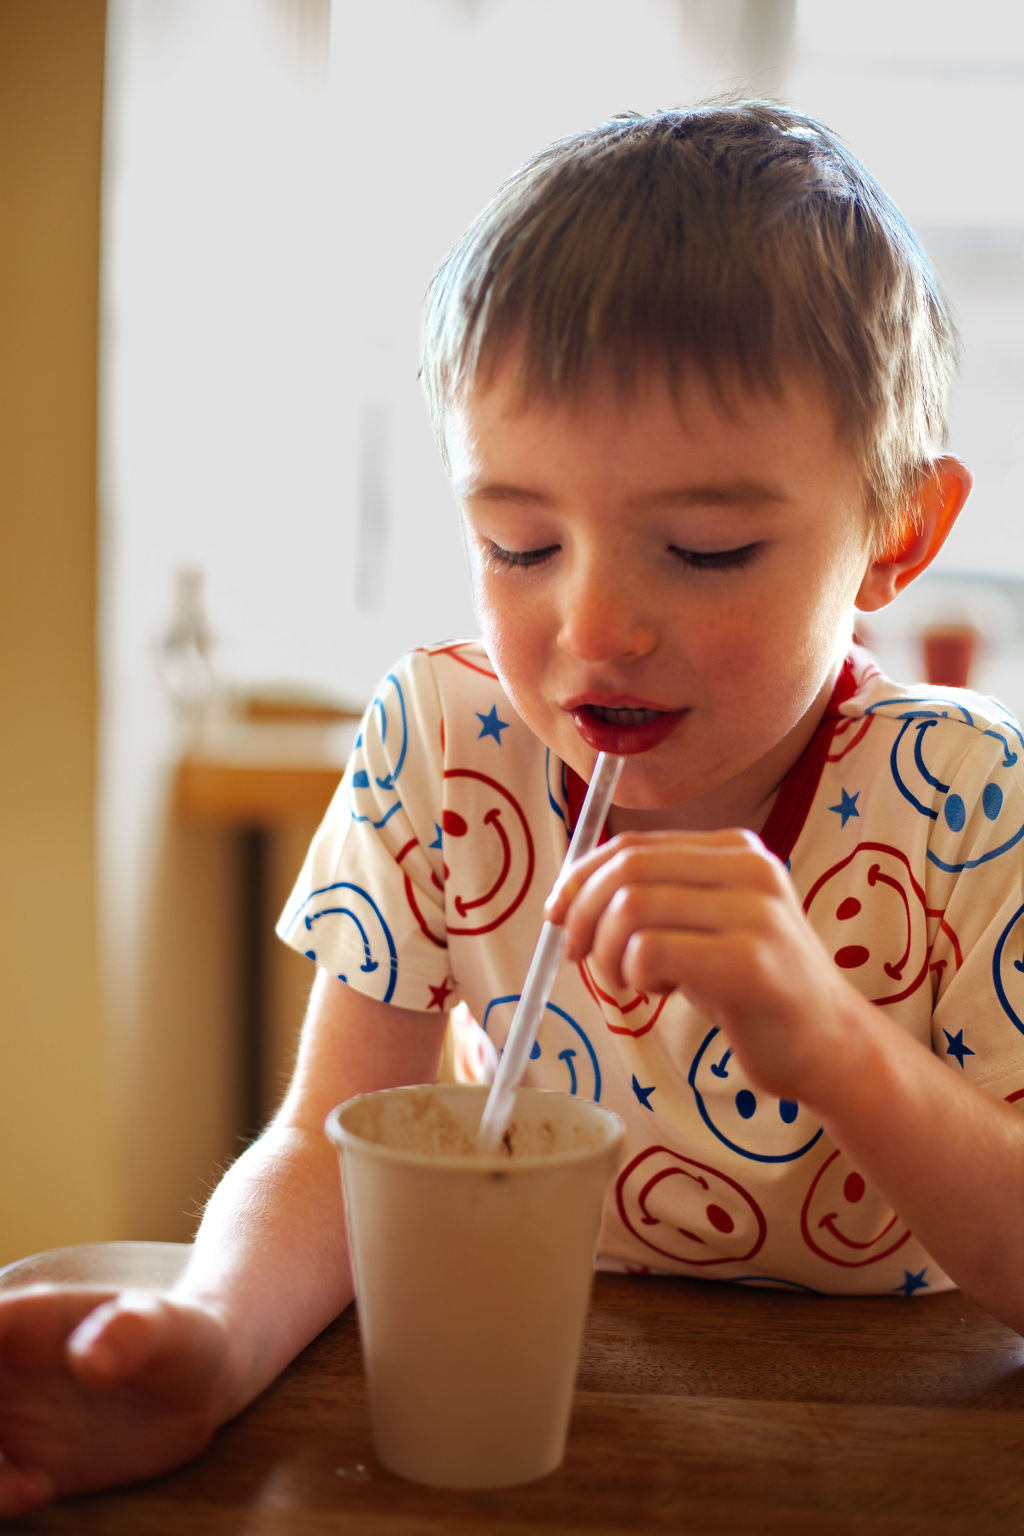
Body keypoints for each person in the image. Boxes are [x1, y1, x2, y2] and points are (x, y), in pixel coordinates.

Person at [2, 99, 1023, 1515]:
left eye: (708, 549)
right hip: (527, 1407)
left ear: (895, 536)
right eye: (518, 541)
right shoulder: (440, 741)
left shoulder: (976, 805)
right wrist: (210, 1339)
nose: (595, 625)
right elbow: (329, 1135)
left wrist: (838, 1047)